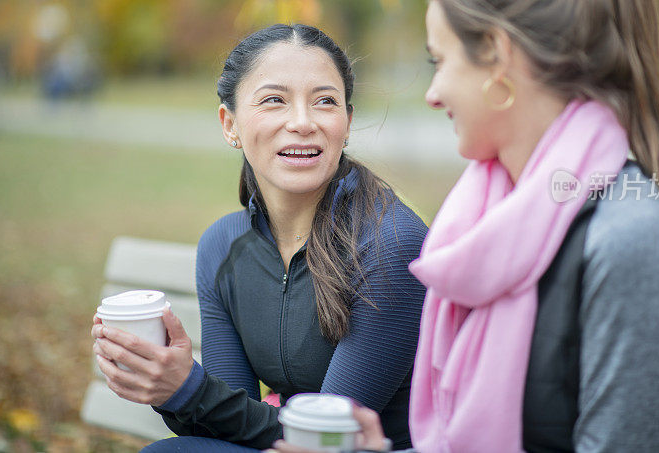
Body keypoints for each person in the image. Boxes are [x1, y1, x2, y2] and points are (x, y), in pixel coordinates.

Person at [271, 0, 659, 453]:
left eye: (440, 61)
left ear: (499, 60)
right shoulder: (489, 218)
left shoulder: (627, 237)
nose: (432, 93)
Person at [91, 24, 428, 451]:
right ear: (229, 124)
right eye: (274, 100)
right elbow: (232, 429)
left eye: (325, 101)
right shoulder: (223, 247)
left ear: (347, 123)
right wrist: (164, 384)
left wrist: (188, 389)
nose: (303, 122)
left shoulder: (390, 245)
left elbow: (325, 438)